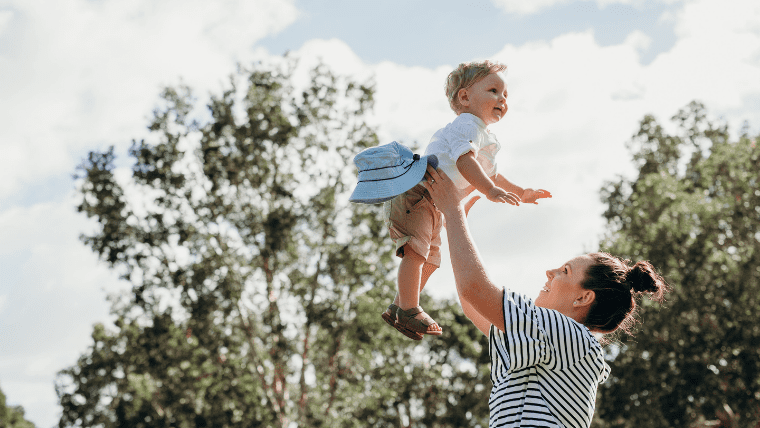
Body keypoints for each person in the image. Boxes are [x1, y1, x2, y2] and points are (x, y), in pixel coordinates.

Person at [422, 165, 670, 428]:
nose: (549, 272)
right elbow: (473, 301)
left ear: (583, 298)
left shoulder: (571, 336)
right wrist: (454, 224)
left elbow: (475, 289)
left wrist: (453, 210)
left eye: (564, 271)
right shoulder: (553, 342)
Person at [379, 60, 551, 340]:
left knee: (432, 260)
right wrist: (489, 190)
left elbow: (493, 175)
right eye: (494, 90)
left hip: (435, 202)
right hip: (418, 192)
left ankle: (400, 307)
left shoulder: (483, 136)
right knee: (416, 252)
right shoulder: (467, 125)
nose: (502, 99)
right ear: (465, 97)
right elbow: (464, 161)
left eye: (506, 95)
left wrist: (522, 192)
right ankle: (409, 308)